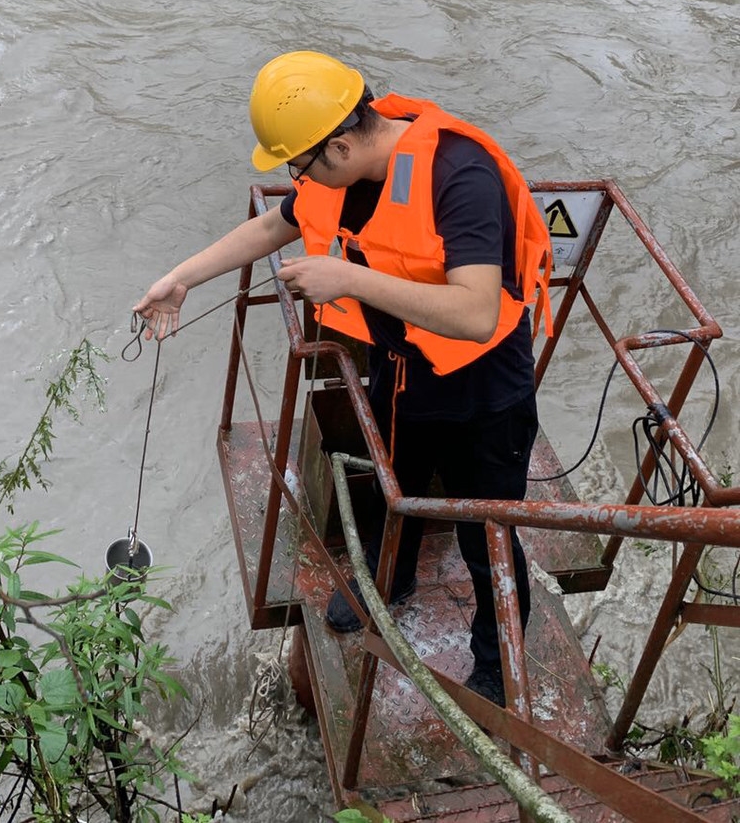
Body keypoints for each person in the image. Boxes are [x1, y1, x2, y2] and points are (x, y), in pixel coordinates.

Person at [133, 50, 551, 708]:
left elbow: (477, 312)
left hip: (483, 392)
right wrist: (181, 278)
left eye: (299, 164)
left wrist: (348, 279)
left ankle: (498, 666)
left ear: (341, 143)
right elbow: (276, 224)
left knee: (486, 532)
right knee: (393, 487)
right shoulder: (337, 168)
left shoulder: (459, 176)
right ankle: (388, 580)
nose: (299, 179)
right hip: (403, 367)